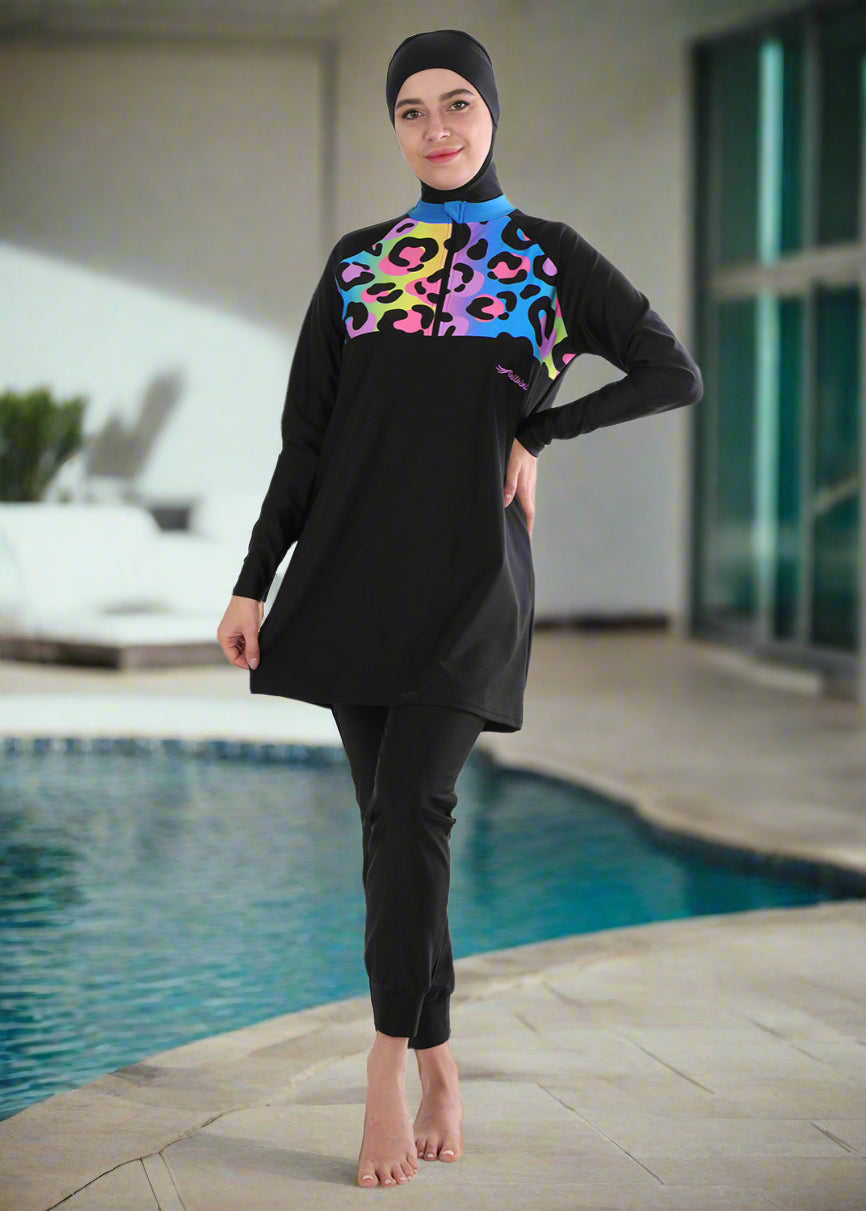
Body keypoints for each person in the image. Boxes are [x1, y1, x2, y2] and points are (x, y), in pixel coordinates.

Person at [217, 28, 703, 1190]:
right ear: (394, 126)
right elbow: (305, 442)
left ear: (489, 112)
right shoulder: (359, 263)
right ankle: (441, 1058)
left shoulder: (545, 257)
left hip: (472, 585)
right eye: (411, 110)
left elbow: (668, 369)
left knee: (411, 808)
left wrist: (540, 428)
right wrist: (251, 578)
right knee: (389, 834)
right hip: (350, 581)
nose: (435, 129)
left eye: (456, 105)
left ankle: (383, 1069)